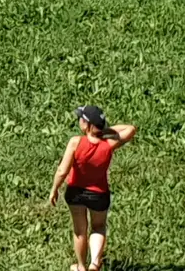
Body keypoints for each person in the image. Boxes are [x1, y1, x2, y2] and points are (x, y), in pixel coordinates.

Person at [47, 107, 137, 271]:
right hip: (99, 194)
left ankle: (81, 267)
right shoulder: (109, 144)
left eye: (81, 118)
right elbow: (130, 129)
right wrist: (103, 131)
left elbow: (62, 170)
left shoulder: (76, 142)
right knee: (98, 227)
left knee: (79, 231)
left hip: (75, 192)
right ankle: (95, 263)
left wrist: (54, 189)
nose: (79, 120)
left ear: (87, 125)